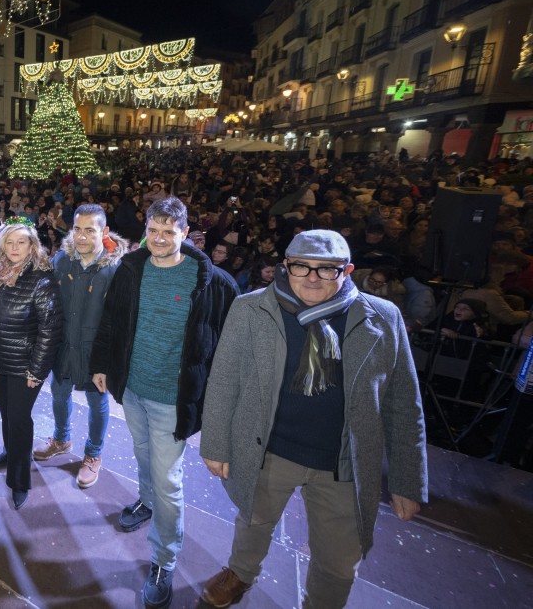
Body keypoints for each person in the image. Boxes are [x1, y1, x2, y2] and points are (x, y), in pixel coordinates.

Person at [199, 230, 427, 609]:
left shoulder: (383, 318)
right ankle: (240, 572)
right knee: (253, 520)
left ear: (348, 270)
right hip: (269, 448)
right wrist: (216, 444)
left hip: (343, 463)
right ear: (284, 267)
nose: (312, 277)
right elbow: (224, 380)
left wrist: (407, 478)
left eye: (326, 269)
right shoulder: (250, 308)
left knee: (338, 560)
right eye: (301, 266)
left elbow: (404, 402)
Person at [89, 197, 237, 609]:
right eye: (153, 231)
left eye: (168, 232)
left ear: (185, 234)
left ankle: (163, 560)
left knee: (169, 479)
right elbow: (111, 321)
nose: (158, 239)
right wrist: (102, 362)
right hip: (133, 390)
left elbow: (228, 348)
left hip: (174, 400)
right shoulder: (130, 270)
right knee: (142, 455)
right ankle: (147, 502)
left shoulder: (214, 283)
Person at [35, 203, 128, 489]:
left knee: (97, 403)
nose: (83, 236)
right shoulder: (62, 260)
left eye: (90, 230)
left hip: (95, 351)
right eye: (77, 229)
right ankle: (61, 439)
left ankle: (93, 454)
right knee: (59, 395)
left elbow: (122, 318)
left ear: (105, 232)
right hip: (64, 346)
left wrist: (112, 357)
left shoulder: (116, 268)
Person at [0, 218, 63, 510]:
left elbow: (50, 329)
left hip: (25, 366)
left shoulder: (41, 278)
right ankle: (11, 449)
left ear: (32, 246)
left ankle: (19, 479)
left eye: (22, 242)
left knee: (19, 418)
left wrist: (37, 371)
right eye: (10, 242)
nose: (15, 248)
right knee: (7, 414)